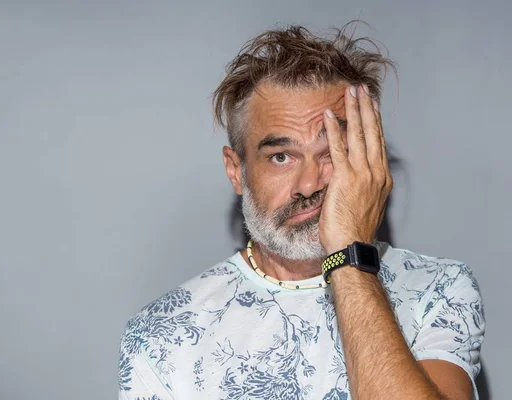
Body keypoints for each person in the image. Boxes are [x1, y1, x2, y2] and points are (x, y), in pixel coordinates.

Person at [118, 23, 485, 400]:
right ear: (236, 171)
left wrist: (347, 250)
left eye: (333, 153)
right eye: (281, 157)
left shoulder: (437, 289)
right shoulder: (162, 333)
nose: (309, 184)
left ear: (370, 157)